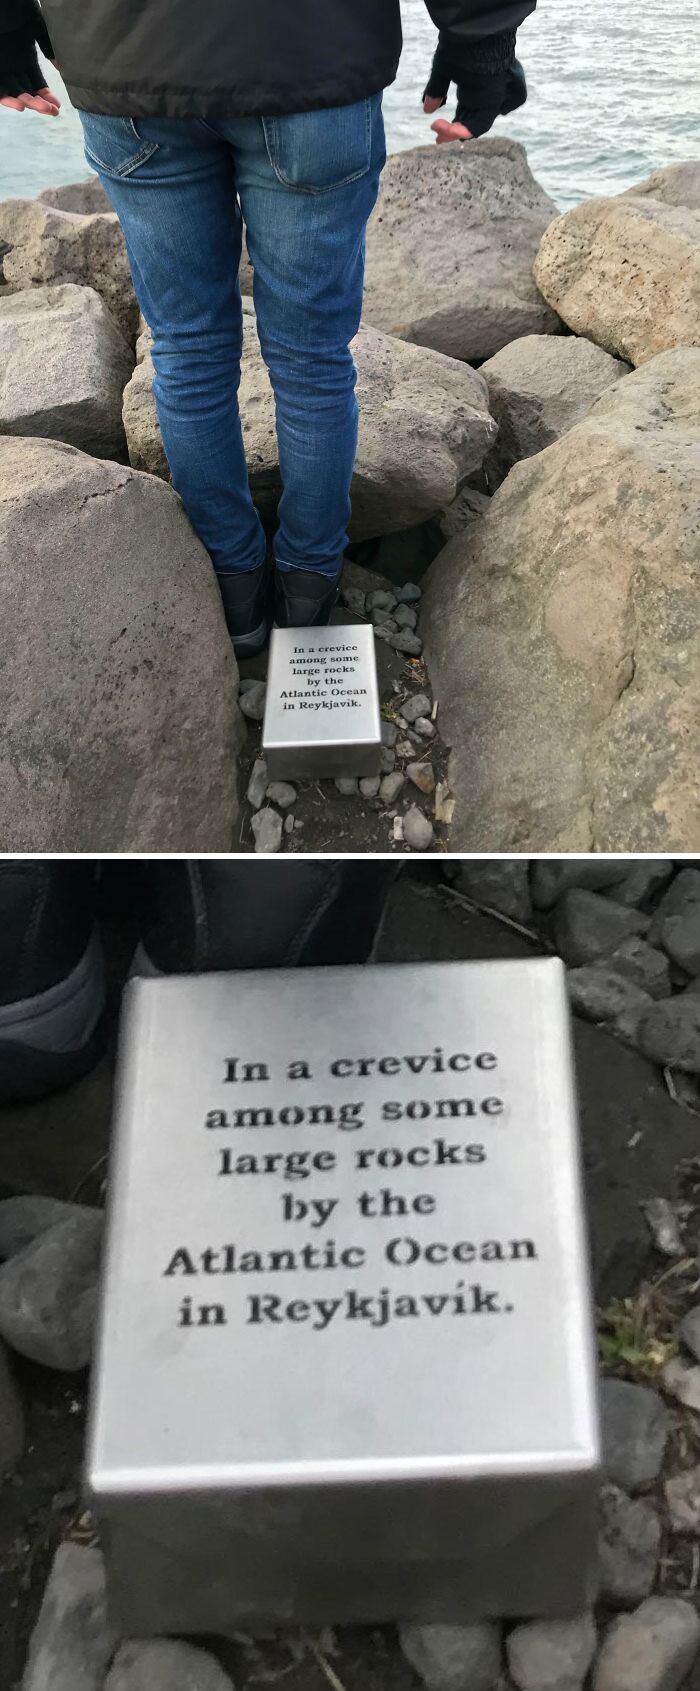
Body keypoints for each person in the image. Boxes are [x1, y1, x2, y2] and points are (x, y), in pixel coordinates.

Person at [0, 0, 535, 657]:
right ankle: (309, 587)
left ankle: (236, 591)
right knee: (311, 359)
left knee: (187, 349)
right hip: (311, 57)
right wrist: (479, 45)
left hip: (127, 62)